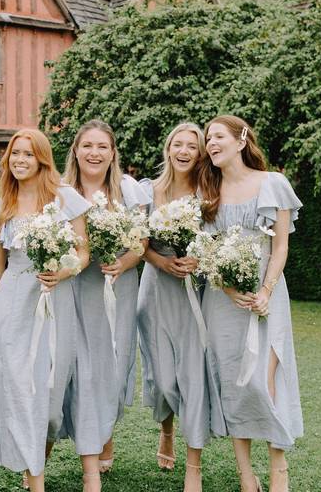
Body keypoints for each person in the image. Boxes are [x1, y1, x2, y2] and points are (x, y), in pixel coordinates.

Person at [0, 128, 91, 492]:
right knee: (20, 388)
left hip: (54, 302)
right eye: (14, 154)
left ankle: (37, 453)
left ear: (42, 159)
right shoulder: (3, 205)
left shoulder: (65, 199)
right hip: (11, 303)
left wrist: (63, 270)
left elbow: (83, 253)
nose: (20, 161)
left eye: (28, 154)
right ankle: (36, 479)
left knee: (50, 400)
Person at [198, 115, 303, 492]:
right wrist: (229, 289)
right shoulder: (207, 194)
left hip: (267, 295)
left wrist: (266, 291)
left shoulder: (273, 183)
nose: (211, 143)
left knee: (265, 381)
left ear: (241, 140)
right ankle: (246, 475)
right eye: (208, 138)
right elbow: (207, 253)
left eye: (219, 136)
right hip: (223, 300)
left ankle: (279, 467)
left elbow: (281, 246)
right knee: (232, 382)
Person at [59, 120, 152, 485]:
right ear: (76, 151)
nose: (94, 153)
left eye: (102, 146)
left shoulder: (129, 190)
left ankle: (105, 435)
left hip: (118, 287)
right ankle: (82, 446)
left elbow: (140, 244)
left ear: (112, 153)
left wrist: (123, 262)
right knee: (79, 366)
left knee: (112, 364)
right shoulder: (63, 192)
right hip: (78, 286)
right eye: (87, 146)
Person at [137, 122, 211, 491]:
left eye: (192, 146)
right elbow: (137, 242)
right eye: (177, 144)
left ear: (200, 153)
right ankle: (166, 429)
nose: (184, 151)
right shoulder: (149, 191)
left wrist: (196, 259)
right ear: (168, 150)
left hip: (193, 294)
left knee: (193, 377)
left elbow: (218, 239)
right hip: (154, 290)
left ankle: (193, 466)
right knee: (163, 378)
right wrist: (160, 261)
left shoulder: (209, 193)